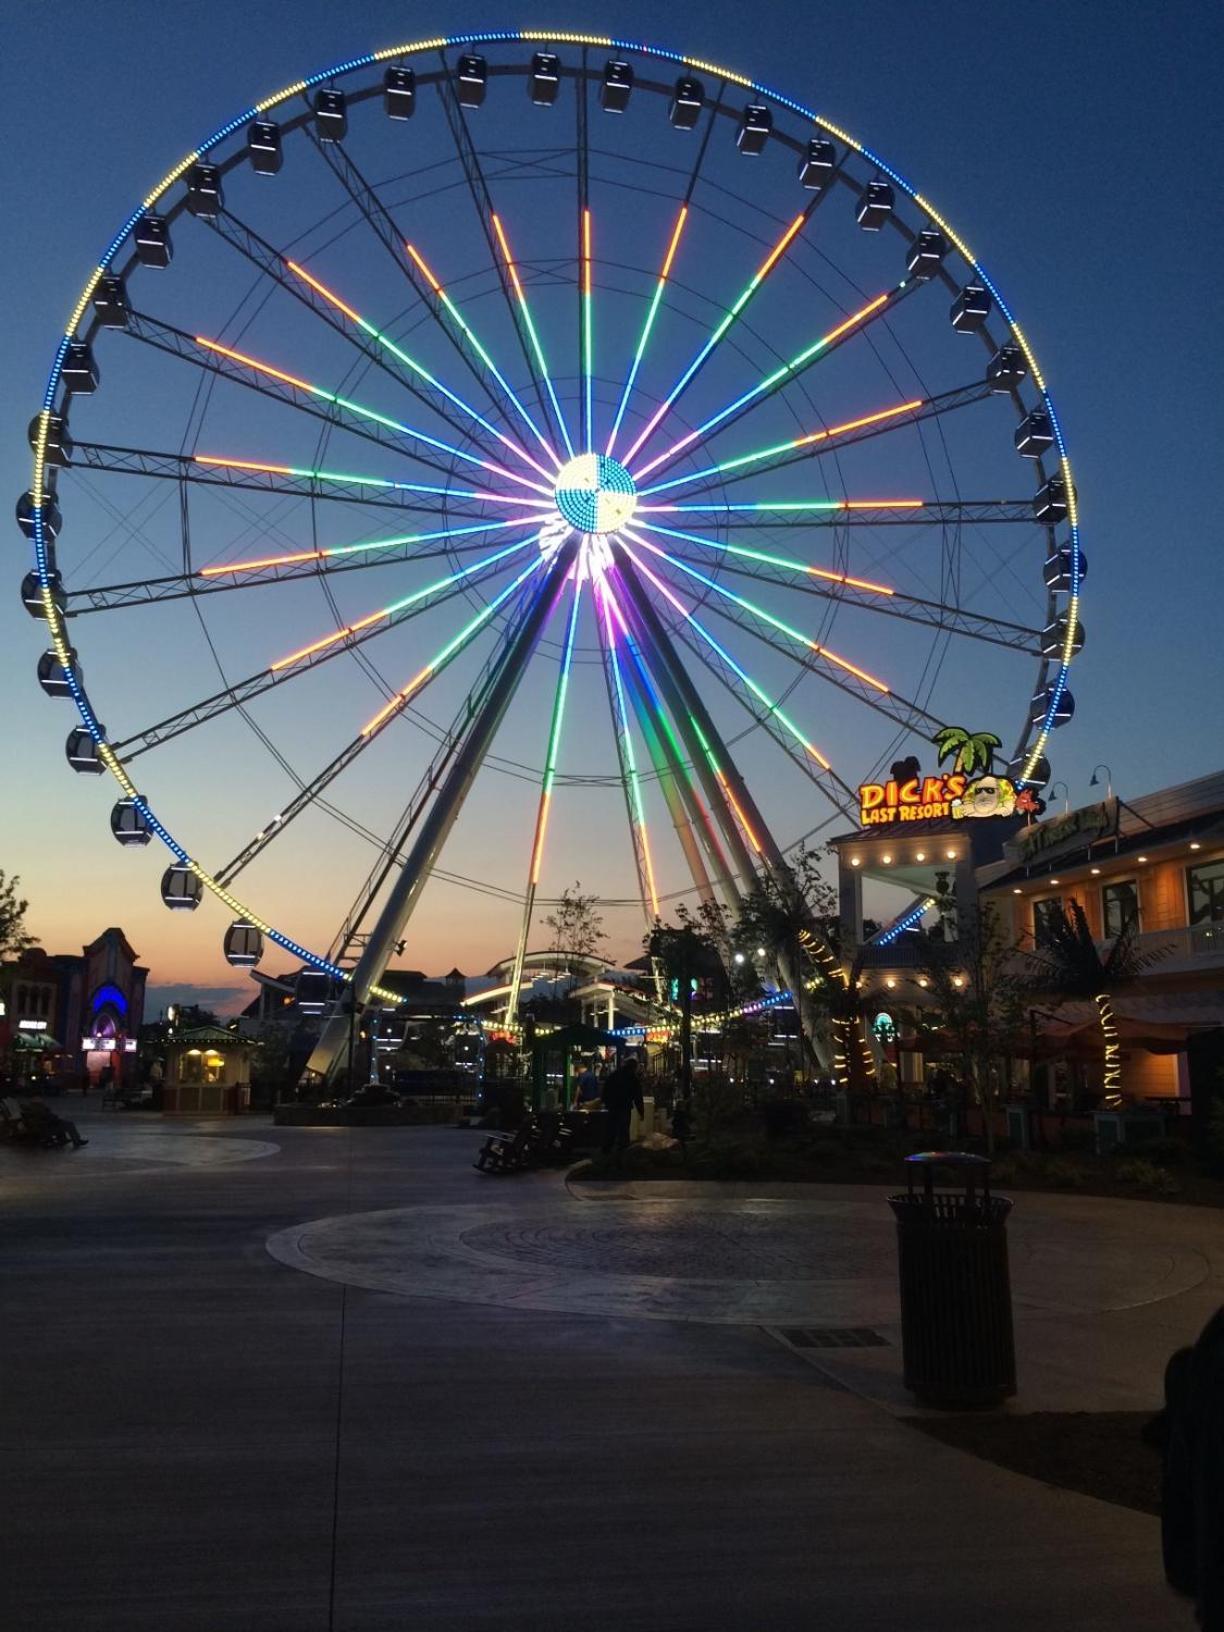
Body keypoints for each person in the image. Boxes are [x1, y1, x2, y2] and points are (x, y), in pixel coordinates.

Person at [601, 1056, 644, 1156]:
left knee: (611, 1128)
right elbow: (638, 1097)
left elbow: (606, 1089)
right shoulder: (633, 1078)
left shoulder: (615, 1075)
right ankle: (622, 1152)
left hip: (613, 1106)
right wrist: (641, 1112)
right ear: (634, 1067)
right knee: (623, 1130)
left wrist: (606, 1102)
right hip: (624, 1107)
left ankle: (607, 1150)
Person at [17, 1097, 88, 1148]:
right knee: (69, 1124)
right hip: (45, 1129)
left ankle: (67, 1139)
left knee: (65, 1123)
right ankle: (76, 1141)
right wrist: (52, 1117)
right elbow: (46, 1118)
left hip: (45, 1126)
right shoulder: (37, 1110)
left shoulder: (34, 1109)